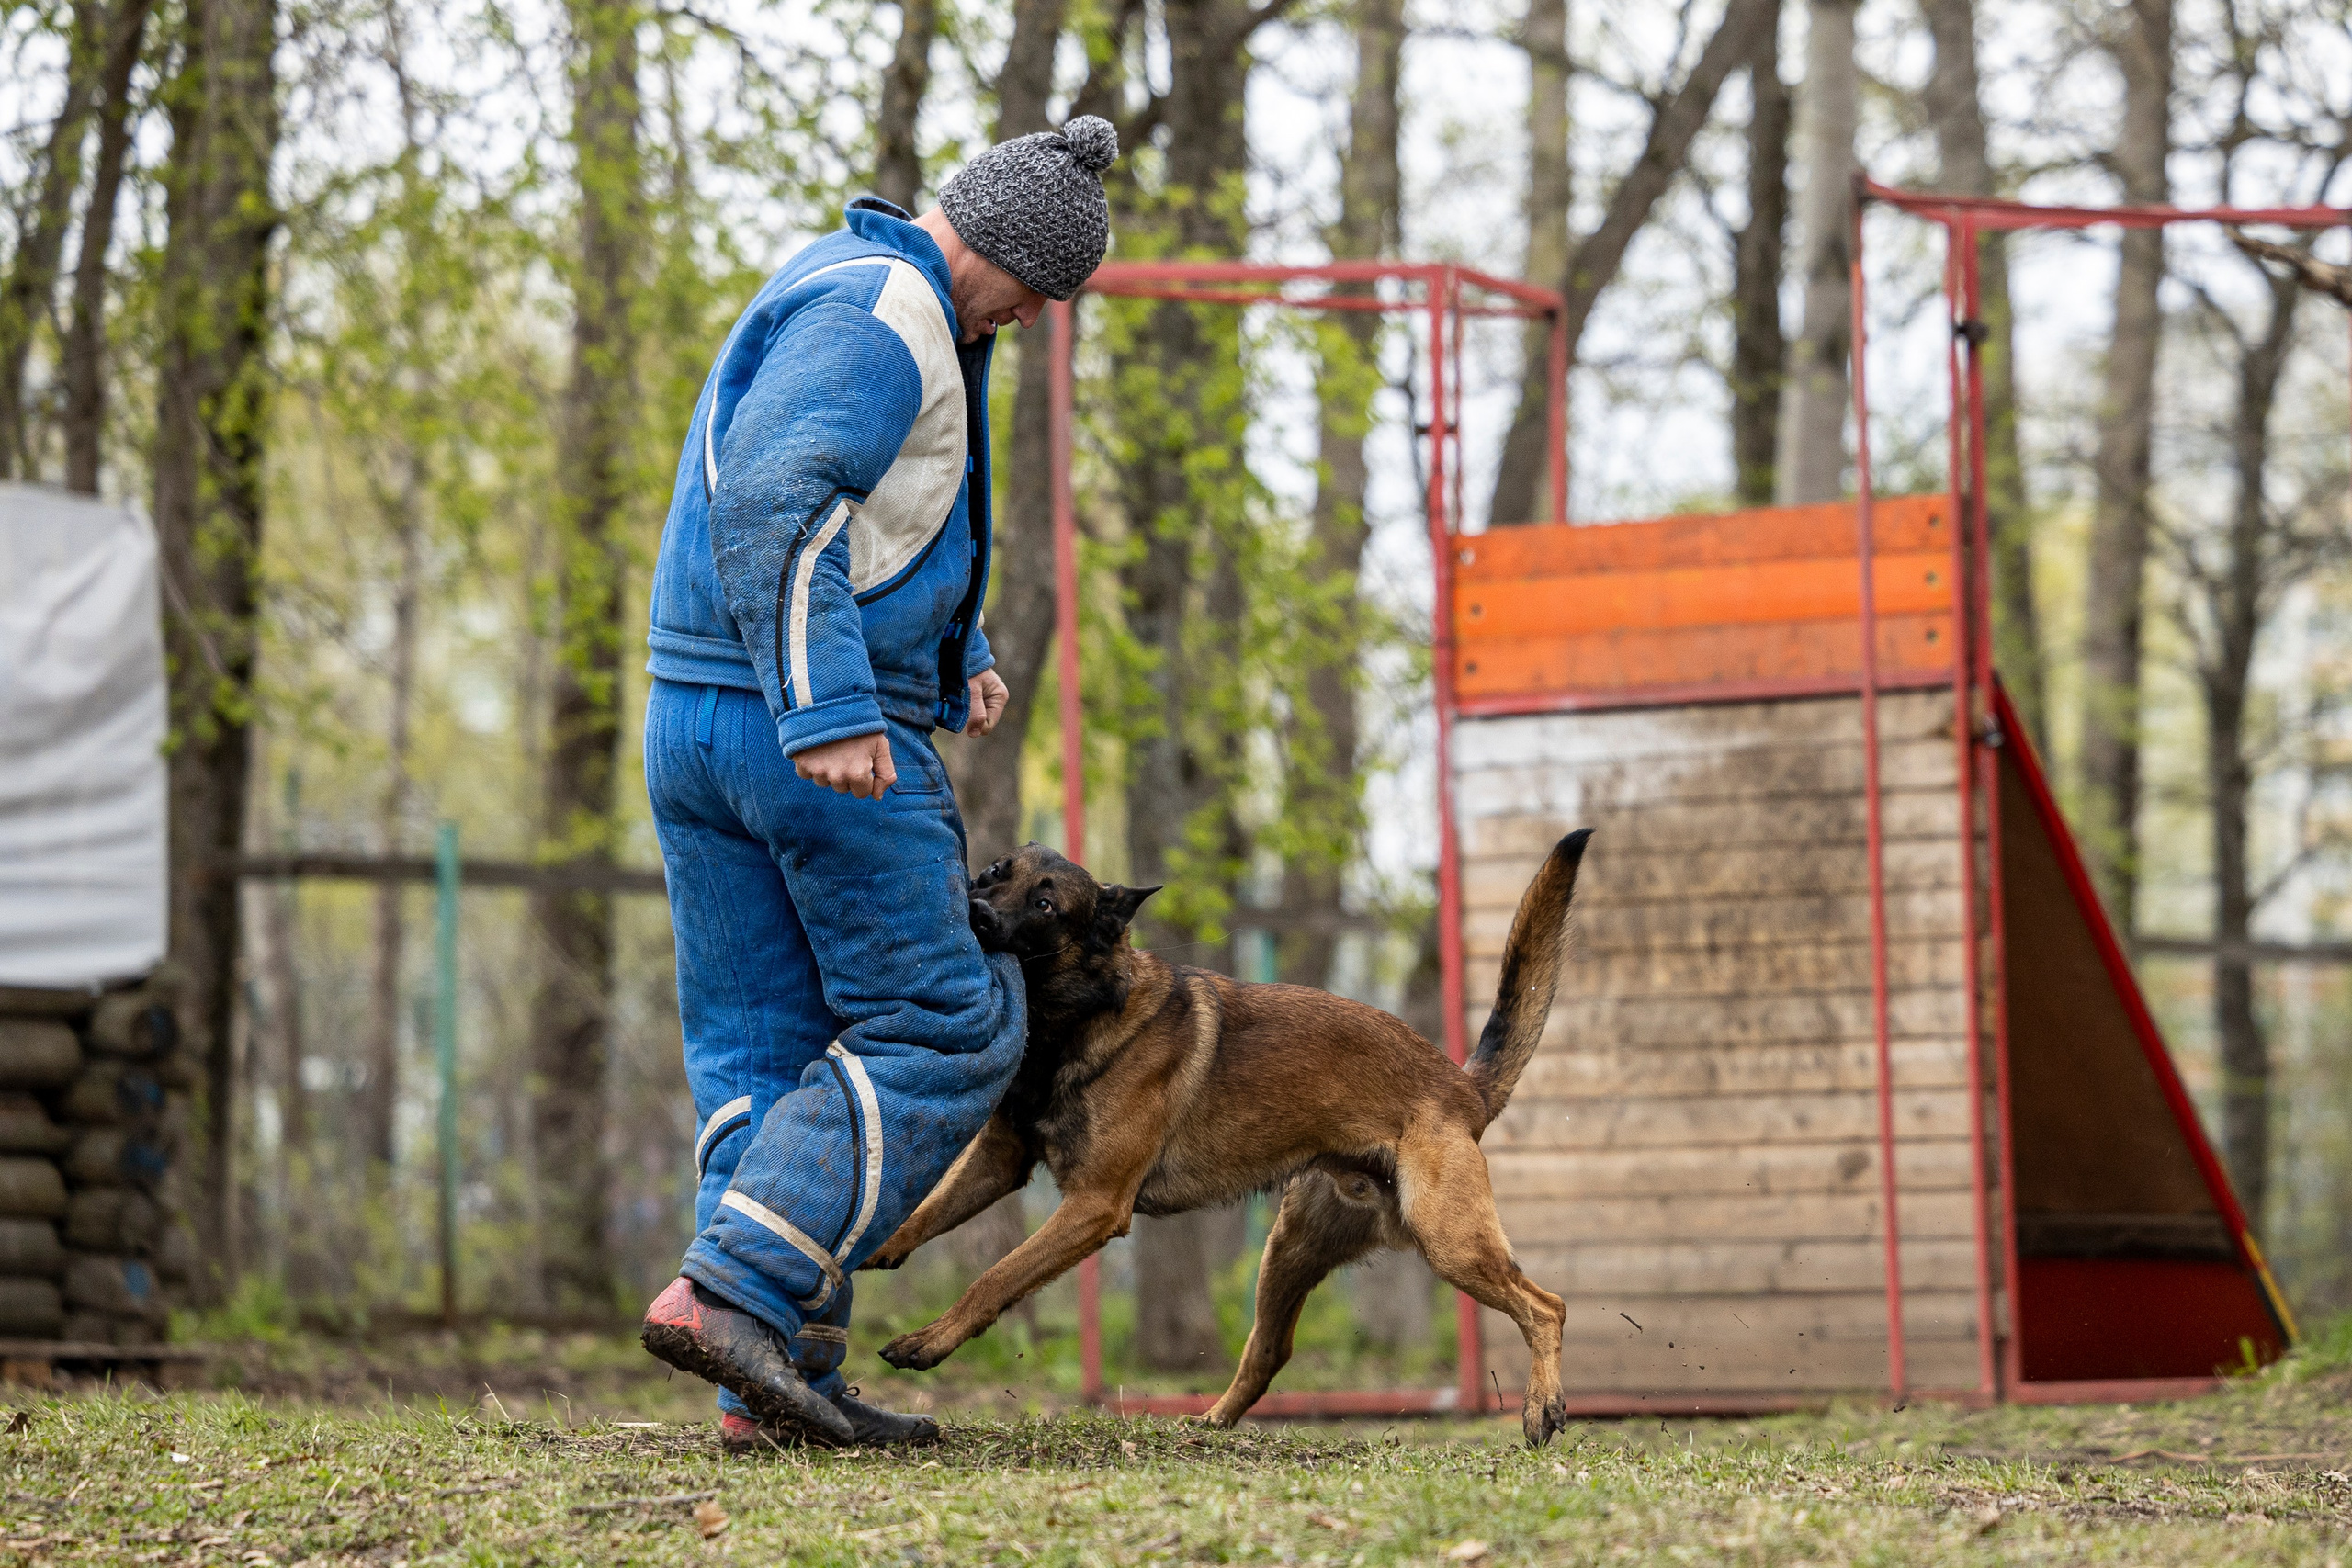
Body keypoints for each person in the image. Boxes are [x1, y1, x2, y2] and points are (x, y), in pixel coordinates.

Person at [636, 116, 1120, 1451]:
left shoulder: (845, 283)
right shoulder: (889, 313)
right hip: (799, 734)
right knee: (947, 1022)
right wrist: (834, 703)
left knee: (766, 1049)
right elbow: (781, 498)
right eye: (1036, 289)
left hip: (695, 720)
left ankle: (768, 1376)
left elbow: (882, 515)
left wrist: (956, 651)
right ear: (996, 246)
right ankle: (732, 1290)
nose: (1032, 317)